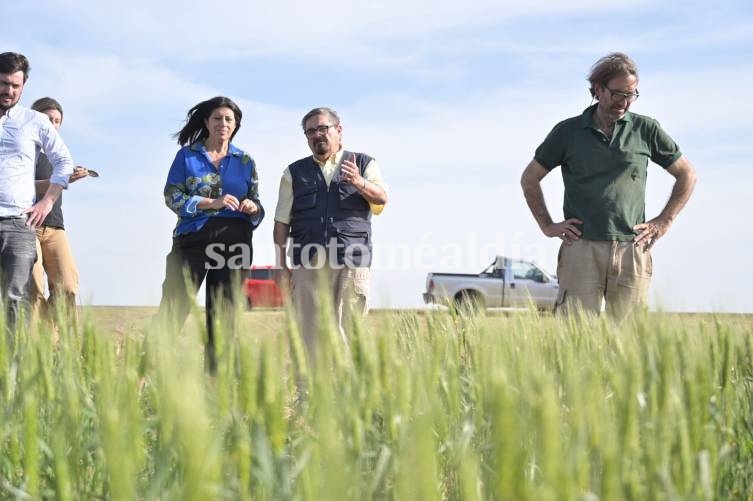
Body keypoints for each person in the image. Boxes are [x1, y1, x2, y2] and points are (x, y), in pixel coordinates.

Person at [520, 52, 697, 319]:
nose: (624, 103)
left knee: (628, 342)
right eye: (618, 94)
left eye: (631, 95)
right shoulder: (567, 132)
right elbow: (530, 178)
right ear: (597, 90)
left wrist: (664, 220)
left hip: (632, 248)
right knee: (574, 336)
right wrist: (547, 225)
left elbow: (687, 174)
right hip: (581, 248)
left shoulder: (646, 130)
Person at [157, 96, 263, 373]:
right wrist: (209, 203)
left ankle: (217, 390)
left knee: (223, 317)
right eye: (217, 118)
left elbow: (256, 201)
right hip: (193, 238)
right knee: (174, 306)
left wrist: (253, 207)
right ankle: (140, 378)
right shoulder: (187, 156)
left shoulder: (245, 160)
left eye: (229, 119)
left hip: (235, 240)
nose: (223, 124)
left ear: (236, 125)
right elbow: (172, 196)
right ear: (206, 122)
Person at [273, 107, 388, 359]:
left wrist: (359, 182)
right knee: (307, 333)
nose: (317, 135)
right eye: (310, 131)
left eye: (323, 128)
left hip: (352, 261)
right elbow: (281, 221)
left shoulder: (364, 163)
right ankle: (307, 395)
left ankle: (348, 394)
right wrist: (281, 265)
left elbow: (381, 199)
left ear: (339, 130)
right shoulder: (293, 173)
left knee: (350, 330)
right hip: (308, 262)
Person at [0, 52, 74, 334]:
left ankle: (11, 374)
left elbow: (64, 162)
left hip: (18, 223)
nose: (9, 90)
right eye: (4, 83)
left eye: (15, 86)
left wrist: (47, 201)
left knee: (15, 300)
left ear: (24, 85)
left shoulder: (35, 121)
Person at [29, 97, 92, 322]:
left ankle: (59, 345)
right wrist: (60, 179)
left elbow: (60, 179)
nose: (53, 125)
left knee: (68, 287)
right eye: (48, 119)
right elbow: (20, 186)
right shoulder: (25, 151)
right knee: (33, 292)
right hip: (27, 226)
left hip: (55, 226)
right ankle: (37, 350)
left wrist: (70, 175)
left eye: (57, 121)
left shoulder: (58, 155)